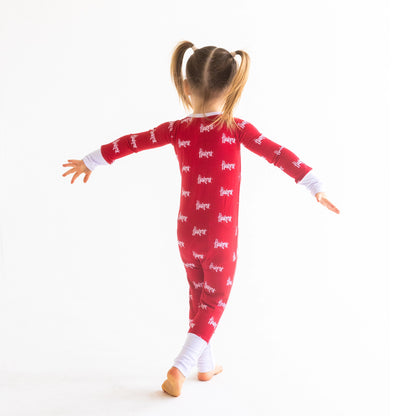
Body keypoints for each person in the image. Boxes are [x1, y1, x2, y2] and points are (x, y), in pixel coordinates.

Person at [62, 40, 340, 397]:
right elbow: (278, 154)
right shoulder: (237, 128)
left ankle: (205, 366)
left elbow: (133, 142)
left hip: (185, 233)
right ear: (233, 85)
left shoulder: (176, 129)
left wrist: (92, 159)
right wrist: (315, 185)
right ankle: (180, 367)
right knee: (215, 299)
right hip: (219, 236)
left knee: (199, 296)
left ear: (186, 86)